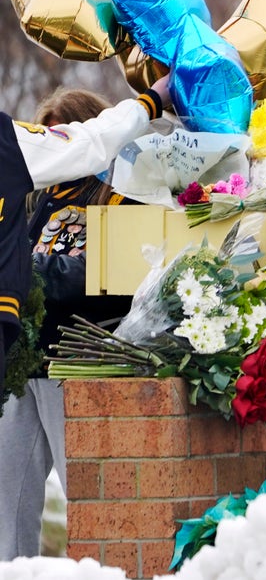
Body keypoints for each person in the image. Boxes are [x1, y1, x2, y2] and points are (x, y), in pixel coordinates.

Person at [0, 78, 169, 561]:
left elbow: (117, 272)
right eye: (48, 134)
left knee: (87, 494)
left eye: (66, 134)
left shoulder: (123, 193)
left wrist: (33, 273)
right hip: (23, 363)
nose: (60, 151)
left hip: (76, 361)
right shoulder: (35, 198)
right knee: (8, 501)